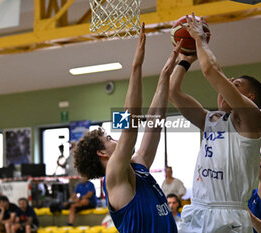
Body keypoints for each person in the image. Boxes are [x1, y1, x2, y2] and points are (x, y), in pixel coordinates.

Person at [73, 23, 181, 233]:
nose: (117, 140)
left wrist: (165, 74)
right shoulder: (114, 174)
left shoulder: (138, 167)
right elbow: (131, 120)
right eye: (110, 139)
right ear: (102, 153)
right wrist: (136, 66)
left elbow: (155, 122)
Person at [169, 13, 261, 233]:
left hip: (228, 214)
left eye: (236, 85)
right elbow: (173, 93)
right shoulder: (211, 120)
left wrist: (200, 42)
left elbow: (210, 71)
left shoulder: (251, 117)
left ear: (249, 98)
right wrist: (185, 59)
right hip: (198, 210)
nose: (229, 84)